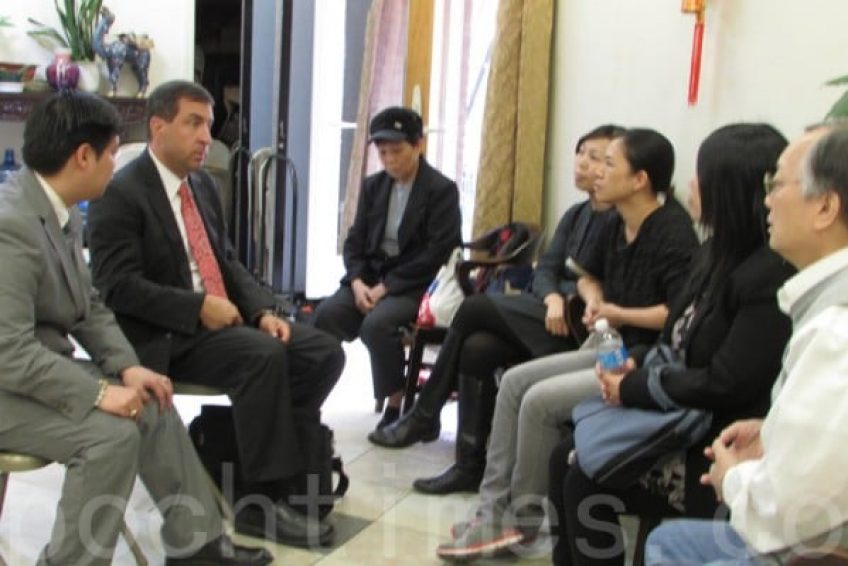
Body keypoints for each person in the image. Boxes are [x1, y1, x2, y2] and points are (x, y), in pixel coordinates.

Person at [0, 90, 270, 565]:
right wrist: (99, 393)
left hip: (34, 373)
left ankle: (197, 545)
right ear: (83, 157)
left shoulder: (59, 207)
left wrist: (128, 368)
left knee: (151, 398)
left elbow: (88, 306)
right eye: (111, 153)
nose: (116, 164)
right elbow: (10, 353)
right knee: (111, 437)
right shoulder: (11, 225)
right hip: (9, 384)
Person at [87, 80, 344, 548]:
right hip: (165, 334)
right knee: (262, 357)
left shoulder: (203, 185)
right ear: (158, 127)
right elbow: (116, 286)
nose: (207, 137)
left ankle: (273, 466)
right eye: (193, 123)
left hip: (221, 320)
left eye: (208, 124)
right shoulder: (120, 193)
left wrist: (262, 309)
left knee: (322, 352)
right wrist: (197, 307)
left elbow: (225, 260)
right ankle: (261, 503)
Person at [434, 127, 702, 561]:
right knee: (513, 383)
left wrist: (617, 312)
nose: (597, 172)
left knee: (539, 401)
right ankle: (491, 511)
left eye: (609, 163)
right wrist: (595, 299)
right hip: (607, 344)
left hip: (643, 360)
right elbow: (586, 275)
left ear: (640, 179)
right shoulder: (613, 221)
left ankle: (522, 523)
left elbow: (675, 314)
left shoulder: (673, 232)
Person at [540, 123, 794, 566]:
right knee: (565, 455)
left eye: (702, 176)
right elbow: (674, 338)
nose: (690, 185)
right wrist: (631, 366)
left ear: (730, 190)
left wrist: (633, 387)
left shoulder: (767, 276)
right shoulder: (714, 252)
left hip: (711, 437)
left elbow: (725, 383)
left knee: (583, 474)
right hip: (675, 406)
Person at [368, 125, 627, 494]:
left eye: (597, 158)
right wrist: (553, 297)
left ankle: (425, 413)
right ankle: (469, 465)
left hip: (580, 330)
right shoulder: (577, 214)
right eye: (581, 153)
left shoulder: (619, 222)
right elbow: (547, 269)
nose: (583, 164)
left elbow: (603, 287)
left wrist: (563, 295)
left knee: (475, 308)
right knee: (476, 349)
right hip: (548, 313)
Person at [646, 125, 848, 565]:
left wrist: (733, 478)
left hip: (814, 546)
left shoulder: (834, 332)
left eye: (776, 185)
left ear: (825, 207)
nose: (767, 200)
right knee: (668, 541)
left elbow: (788, 511)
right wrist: (773, 432)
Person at [312, 106, 462, 429]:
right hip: (368, 279)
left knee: (376, 325)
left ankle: (396, 404)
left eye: (397, 151)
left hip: (414, 284)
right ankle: (309, 400)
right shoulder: (373, 187)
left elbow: (436, 254)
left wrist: (386, 288)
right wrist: (356, 283)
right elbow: (354, 242)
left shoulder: (441, 190)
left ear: (418, 145)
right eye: (383, 153)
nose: (390, 160)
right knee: (326, 316)